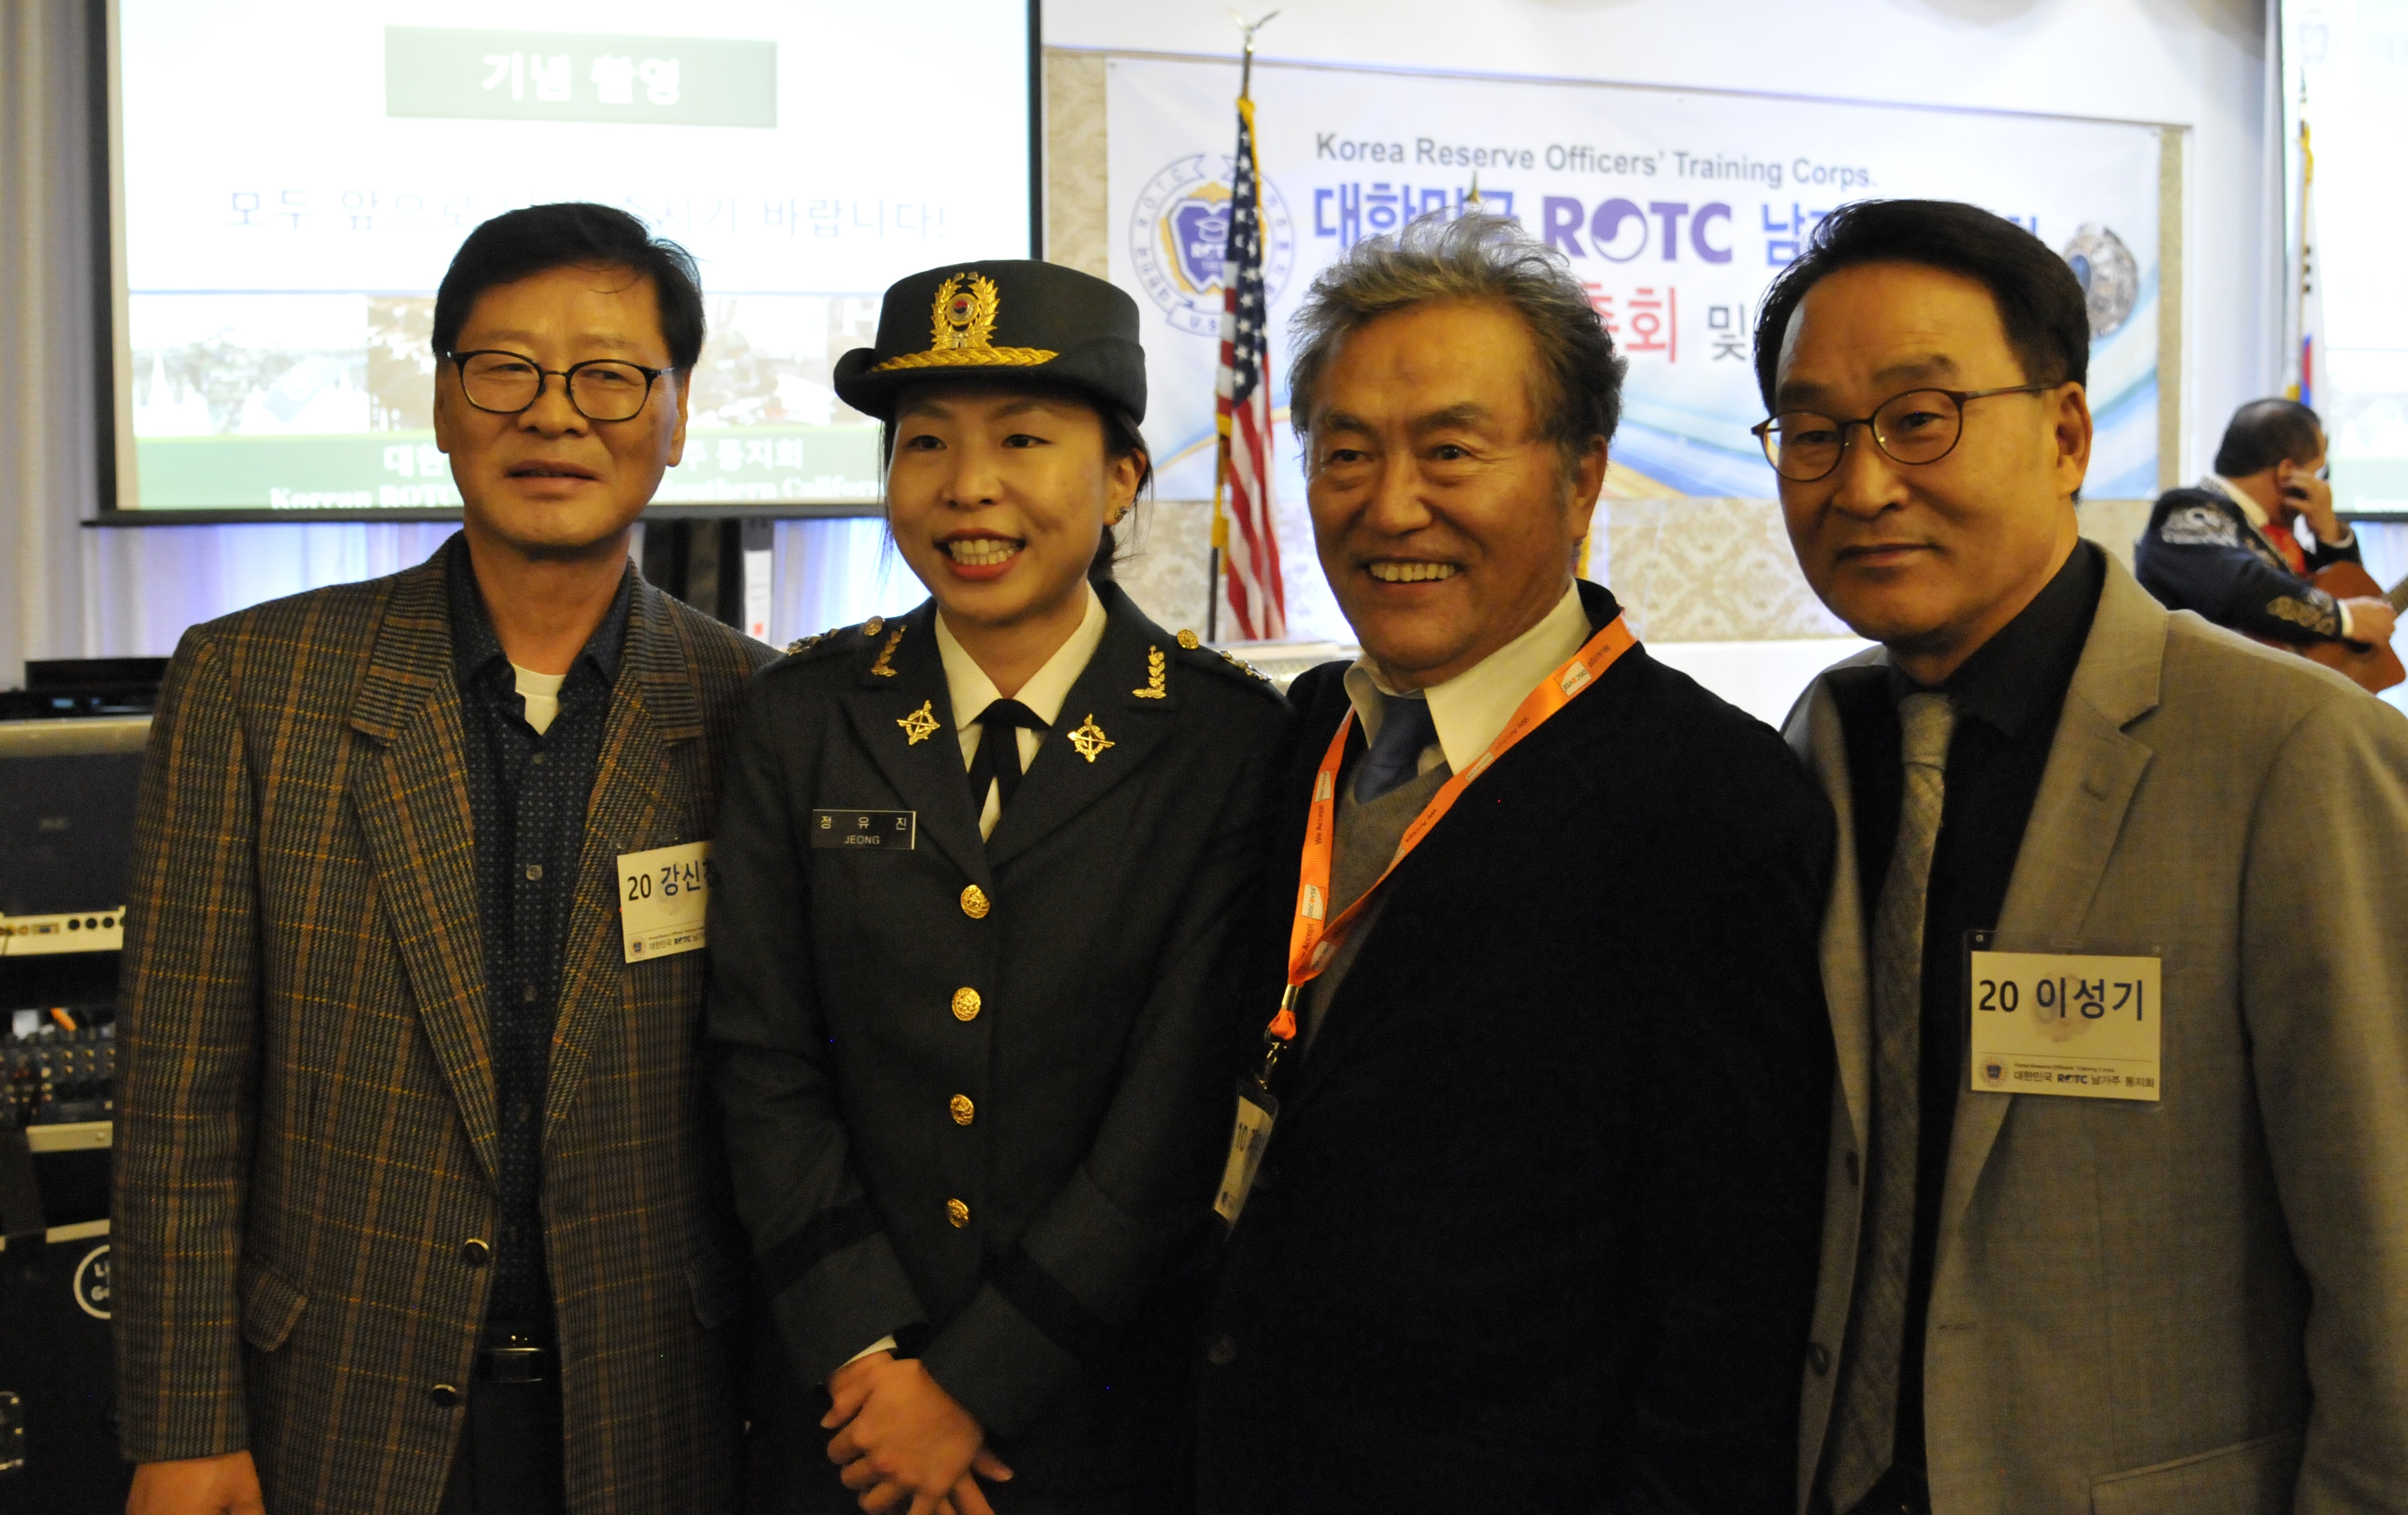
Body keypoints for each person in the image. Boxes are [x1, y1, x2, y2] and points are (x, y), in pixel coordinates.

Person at [114, 203, 775, 1515]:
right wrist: (183, 1424)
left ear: (677, 411)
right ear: (438, 398)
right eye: (506, 369)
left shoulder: (753, 709)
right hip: (331, 1407)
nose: (555, 414)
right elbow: (179, 1097)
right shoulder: (253, 683)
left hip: (654, 1414)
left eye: (608, 375)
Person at [1761, 199, 2408, 1515]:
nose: (1862, 485)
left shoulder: (2287, 752)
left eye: (1919, 417)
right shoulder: (1819, 744)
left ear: (2065, 433)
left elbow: (2389, 1268)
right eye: (1813, 432)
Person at [1192, 211, 1835, 1514]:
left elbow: (1727, 1299)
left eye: (1450, 450)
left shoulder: (1710, 804)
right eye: (1346, 453)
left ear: (1581, 476)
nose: (1390, 505)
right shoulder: (1299, 734)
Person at [706, 259, 1287, 1515]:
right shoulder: (799, 717)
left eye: (1021, 439)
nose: (966, 486)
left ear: (1121, 476)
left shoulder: (1226, 741)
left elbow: (1180, 1101)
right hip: (843, 1420)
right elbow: (762, 1060)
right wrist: (867, 1356)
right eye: (925, 443)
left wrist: (974, 1383)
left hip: (1094, 1412)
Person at [2134, 396, 2396, 650]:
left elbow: (2349, 605)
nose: (2322, 487)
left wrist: (2331, 535)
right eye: (2318, 473)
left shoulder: (2265, 529)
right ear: (2288, 472)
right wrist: (2342, 619)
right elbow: (2237, 587)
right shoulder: (2186, 512)